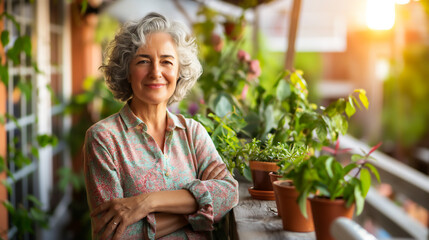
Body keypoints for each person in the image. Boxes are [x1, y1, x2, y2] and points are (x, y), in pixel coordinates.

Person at [84, 12, 239, 240]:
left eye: (166, 61)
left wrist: (146, 203)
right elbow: (116, 234)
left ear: (178, 72)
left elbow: (228, 192)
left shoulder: (193, 133)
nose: (156, 72)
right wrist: (199, 208)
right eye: (143, 61)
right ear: (127, 70)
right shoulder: (103, 139)